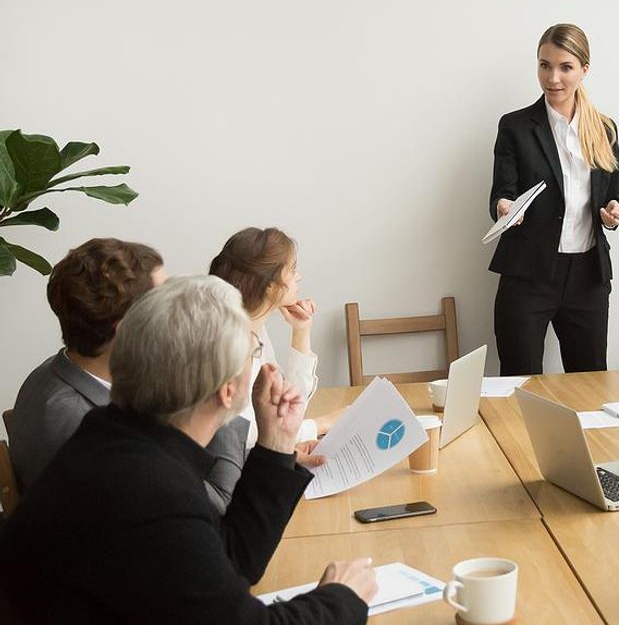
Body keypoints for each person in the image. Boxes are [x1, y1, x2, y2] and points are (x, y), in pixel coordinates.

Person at [0, 276, 377, 623]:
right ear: (228, 390)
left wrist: (276, 443)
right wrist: (341, 598)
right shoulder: (145, 490)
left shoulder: (119, 436)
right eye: (255, 350)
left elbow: (230, 561)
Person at [7, 238, 246, 513]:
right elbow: (215, 504)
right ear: (129, 329)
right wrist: (223, 374)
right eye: (164, 304)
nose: (176, 313)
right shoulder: (83, 427)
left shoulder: (56, 373)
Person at [488, 23, 619, 376]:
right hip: (528, 274)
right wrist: (505, 208)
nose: (553, 78)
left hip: (587, 278)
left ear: (584, 70)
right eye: (544, 65)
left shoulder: (605, 129)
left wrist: (612, 211)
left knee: (590, 383)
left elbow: (612, 196)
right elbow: (501, 194)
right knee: (518, 384)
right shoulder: (515, 126)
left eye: (565, 67)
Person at [210, 227, 335, 453]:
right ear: (269, 284)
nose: (299, 276)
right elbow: (248, 437)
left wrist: (301, 332)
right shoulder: (229, 346)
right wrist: (322, 424)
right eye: (293, 269)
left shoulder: (256, 331)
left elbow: (286, 409)